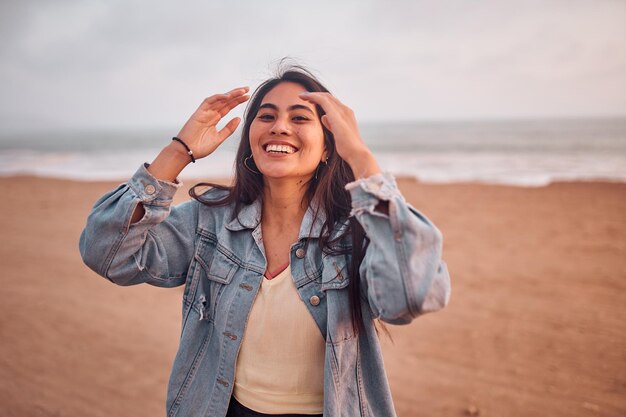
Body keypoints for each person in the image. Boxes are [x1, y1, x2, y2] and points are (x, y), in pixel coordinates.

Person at [79, 66, 451, 417]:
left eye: (300, 118)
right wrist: (179, 151)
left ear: (327, 148)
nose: (280, 128)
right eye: (267, 116)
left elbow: (411, 295)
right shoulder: (210, 220)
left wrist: (359, 156)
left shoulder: (356, 232)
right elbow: (107, 253)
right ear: (251, 139)